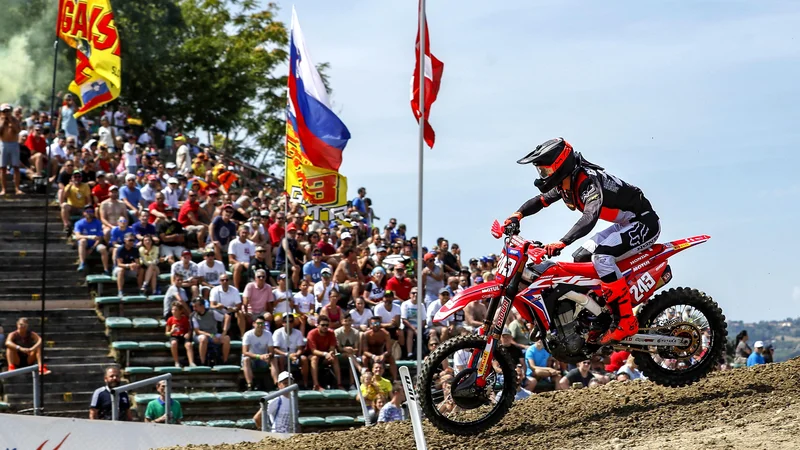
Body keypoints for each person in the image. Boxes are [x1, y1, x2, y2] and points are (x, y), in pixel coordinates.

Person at [506, 137, 660, 344]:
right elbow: (540, 201)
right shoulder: (565, 182)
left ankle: (626, 320)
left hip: (644, 222)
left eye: (545, 171)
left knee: (602, 257)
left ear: (560, 165)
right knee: (581, 258)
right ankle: (596, 317)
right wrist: (517, 215)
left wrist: (562, 241)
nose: (542, 176)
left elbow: (590, 216)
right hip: (626, 223)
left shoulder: (587, 182)